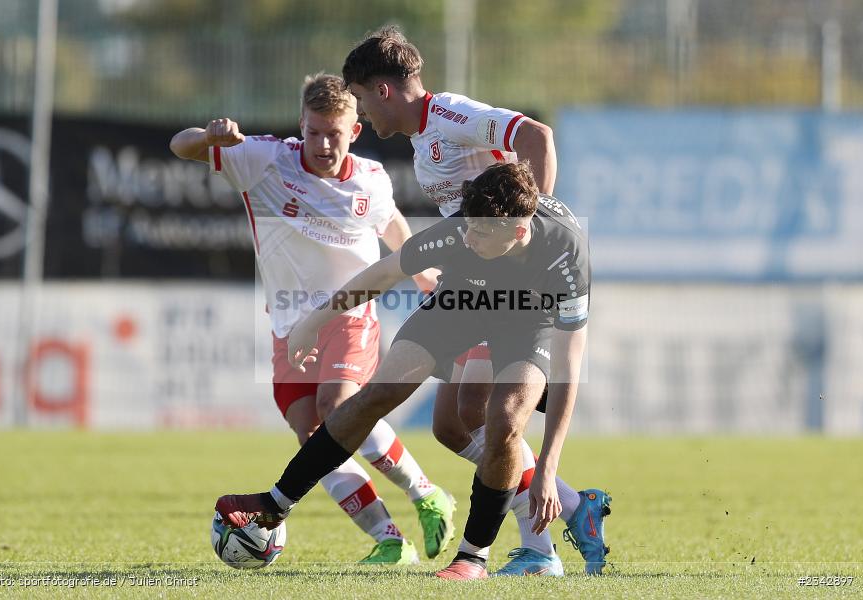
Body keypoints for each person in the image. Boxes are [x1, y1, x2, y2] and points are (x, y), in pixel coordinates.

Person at [215, 161, 598, 580]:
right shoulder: (462, 231)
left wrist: (546, 467)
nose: (468, 238)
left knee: (505, 420)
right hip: (463, 300)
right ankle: (274, 504)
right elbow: (386, 271)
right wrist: (315, 321)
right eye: (468, 226)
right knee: (379, 392)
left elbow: (568, 365)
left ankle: (472, 559)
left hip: (530, 321)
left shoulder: (566, 253)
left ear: (519, 233)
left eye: (481, 233)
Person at [339, 26, 610, 575]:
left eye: (361, 100)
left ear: (382, 90)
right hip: (474, 287)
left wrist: (525, 229)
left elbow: (536, 134)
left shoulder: (449, 115)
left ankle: (537, 550)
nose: (362, 115)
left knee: (490, 418)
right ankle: (575, 507)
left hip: (506, 290)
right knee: (452, 424)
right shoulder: (424, 139)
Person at [170, 73, 454, 565]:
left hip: (349, 313)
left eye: (334, 134)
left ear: (355, 132)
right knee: (311, 434)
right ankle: (389, 540)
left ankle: (426, 494)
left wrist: (421, 270)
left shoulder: (370, 178)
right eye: (314, 132)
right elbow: (180, 146)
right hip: (287, 323)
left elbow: (390, 224)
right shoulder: (264, 159)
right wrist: (209, 138)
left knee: (338, 406)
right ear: (301, 125)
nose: (323, 144)